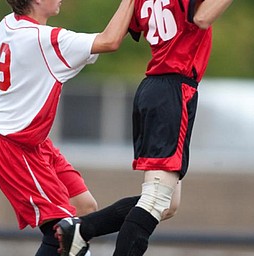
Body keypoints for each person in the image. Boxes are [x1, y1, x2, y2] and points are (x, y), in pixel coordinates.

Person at [54, 0, 234, 255]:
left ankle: (83, 229)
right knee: (156, 198)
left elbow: (133, 24)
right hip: (173, 90)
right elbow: (202, 18)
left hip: (154, 89)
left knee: (168, 203)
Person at [0, 0, 135, 255]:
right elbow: (110, 40)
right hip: (12, 146)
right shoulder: (45, 39)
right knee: (63, 232)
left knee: (84, 208)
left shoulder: (8, 24)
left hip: (33, 142)